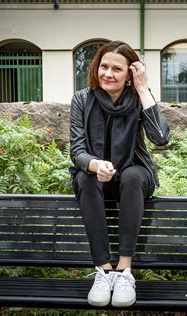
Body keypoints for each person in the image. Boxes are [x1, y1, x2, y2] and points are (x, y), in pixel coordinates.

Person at [69, 41, 170, 307]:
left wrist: (142, 88)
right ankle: (104, 272)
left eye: (117, 69)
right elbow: (77, 150)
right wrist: (95, 165)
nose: (108, 74)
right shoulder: (82, 100)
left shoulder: (138, 98)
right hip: (97, 181)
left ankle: (125, 272)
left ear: (130, 73)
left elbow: (160, 138)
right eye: (104, 66)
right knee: (83, 177)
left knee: (132, 176)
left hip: (134, 179)